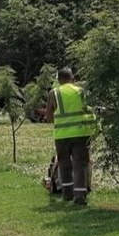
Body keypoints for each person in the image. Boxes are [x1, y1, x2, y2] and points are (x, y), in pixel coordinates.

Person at [45, 68, 97, 205]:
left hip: (62, 135)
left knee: (64, 164)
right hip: (81, 133)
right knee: (80, 165)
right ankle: (80, 196)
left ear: (59, 80)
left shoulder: (54, 93)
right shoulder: (81, 91)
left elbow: (49, 117)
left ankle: (67, 194)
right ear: (72, 78)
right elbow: (91, 110)